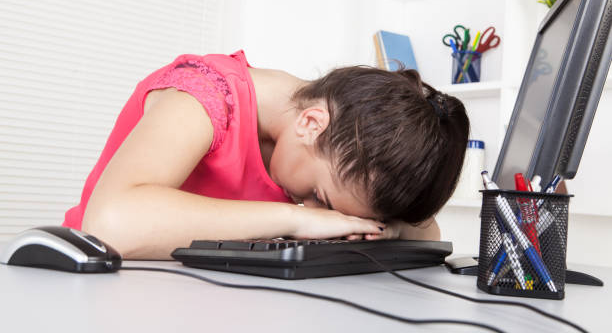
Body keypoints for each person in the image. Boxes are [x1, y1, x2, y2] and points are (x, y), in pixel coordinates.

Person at [63, 50, 470, 259]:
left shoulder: (338, 146)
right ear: (311, 124)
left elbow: (428, 231)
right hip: (91, 279)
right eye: (320, 197)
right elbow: (112, 223)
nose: (318, 210)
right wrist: (295, 219)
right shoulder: (205, 93)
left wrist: (387, 229)